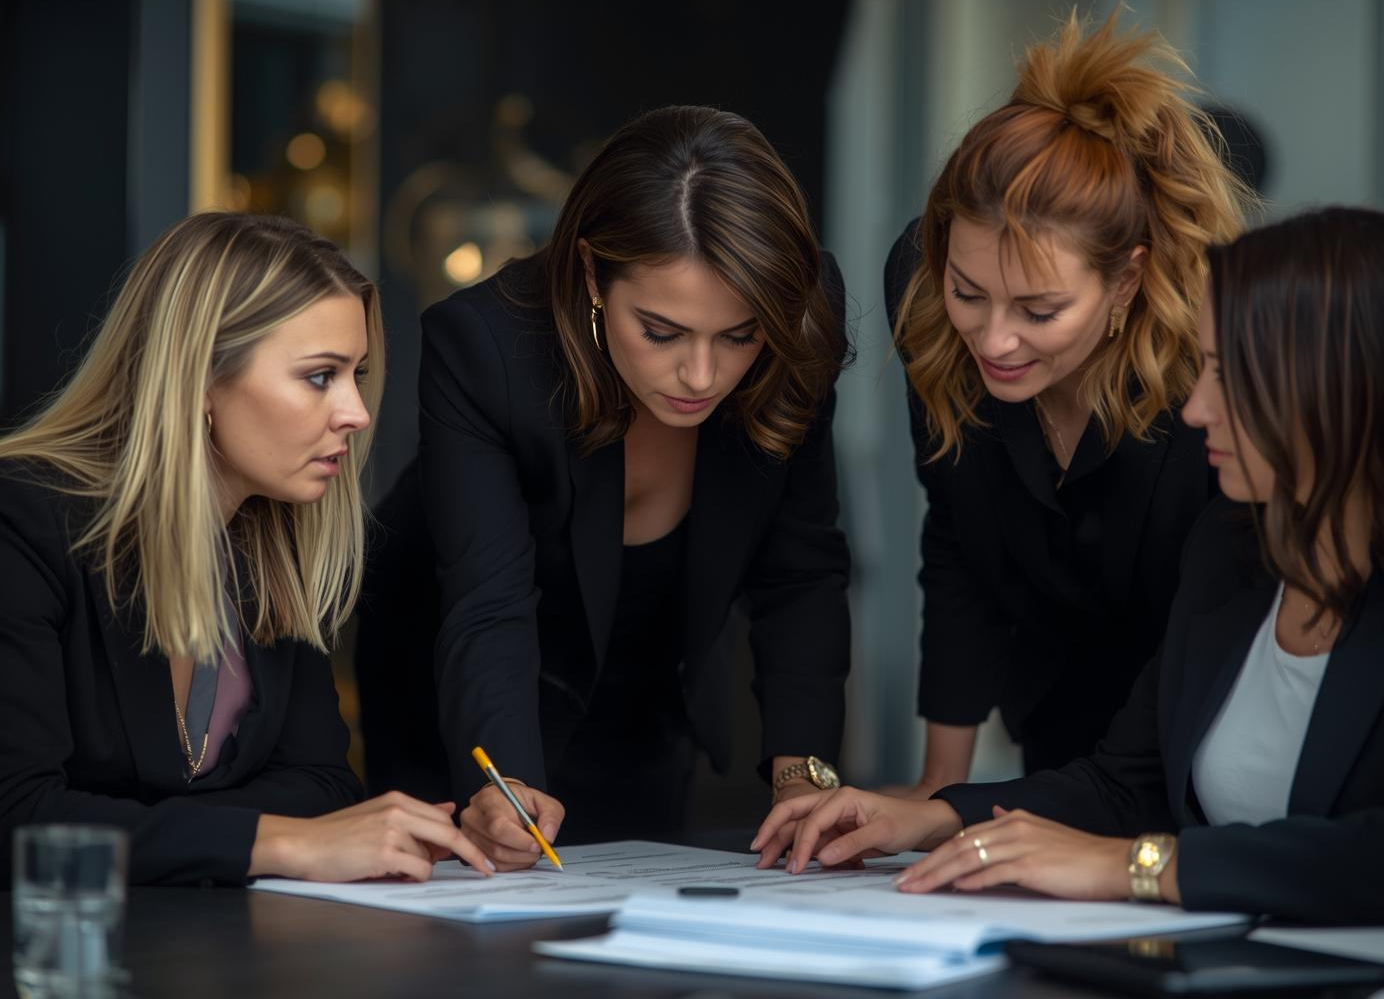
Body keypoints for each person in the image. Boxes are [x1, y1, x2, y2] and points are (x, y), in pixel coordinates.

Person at [754, 207, 1384, 924]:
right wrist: (934, 816)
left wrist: (1138, 866)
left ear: (1342, 388)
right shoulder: (1229, 549)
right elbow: (1124, 785)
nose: (1199, 407)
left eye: (1227, 375)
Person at [362, 105, 852, 867]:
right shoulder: (486, 348)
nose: (702, 376)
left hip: (649, 692)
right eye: (660, 332)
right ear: (592, 271)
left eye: (739, 335)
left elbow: (802, 568)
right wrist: (505, 782)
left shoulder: (801, 314)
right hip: (465, 692)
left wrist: (803, 776)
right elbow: (489, 602)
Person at [0, 212, 492, 886]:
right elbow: (17, 820)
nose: (357, 411)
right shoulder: (21, 522)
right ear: (200, 378)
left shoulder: (275, 544)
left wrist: (143, 827)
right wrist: (285, 845)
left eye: (358, 373)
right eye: (321, 376)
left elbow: (322, 786)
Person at [884, 10, 1252, 790]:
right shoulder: (921, 296)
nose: (994, 340)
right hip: (1048, 704)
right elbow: (956, 538)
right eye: (969, 292)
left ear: (1126, 281)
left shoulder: (1207, 363)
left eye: (1039, 311)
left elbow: (1219, 614)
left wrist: (1101, 806)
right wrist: (935, 789)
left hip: (1196, 726)